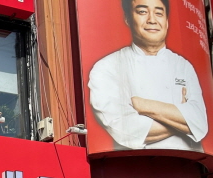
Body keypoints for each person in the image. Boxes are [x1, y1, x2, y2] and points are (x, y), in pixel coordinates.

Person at [88, 0, 208, 151]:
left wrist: (143, 105)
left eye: (159, 13)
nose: (152, 20)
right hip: (135, 163)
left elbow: (200, 123)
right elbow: (125, 129)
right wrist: (185, 121)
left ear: (167, 21)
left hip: (187, 160)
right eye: (142, 12)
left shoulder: (183, 66)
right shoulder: (106, 67)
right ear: (128, 18)